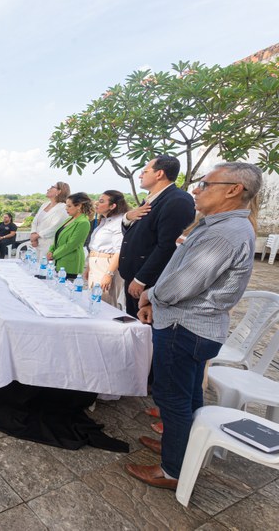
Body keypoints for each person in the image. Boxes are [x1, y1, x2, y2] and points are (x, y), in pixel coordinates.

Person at [125, 162, 263, 491]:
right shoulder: (219, 225)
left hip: (185, 326)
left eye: (205, 184)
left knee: (172, 398)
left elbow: (181, 285)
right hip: (192, 325)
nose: (196, 190)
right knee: (187, 396)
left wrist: (148, 297)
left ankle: (172, 470)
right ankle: (180, 445)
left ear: (233, 190)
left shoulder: (224, 232)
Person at [118, 155, 195, 318]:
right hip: (133, 274)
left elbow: (167, 246)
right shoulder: (152, 199)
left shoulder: (177, 200)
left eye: (144, 171)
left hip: (148, 281)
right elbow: (136, 234)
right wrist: (127, 218)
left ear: (159, 174)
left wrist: (141, 279)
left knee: (145, 331)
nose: (140, 175)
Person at [85, 191, 128, 309]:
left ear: (112, 206)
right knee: (94, 301)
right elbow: (94, 246)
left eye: (102, 201)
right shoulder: (103, 221)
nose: (97, 203)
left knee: (106, 304)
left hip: (107, 265)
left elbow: (119, 250)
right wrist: (89, 267)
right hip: (96, 264)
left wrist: (108, 274)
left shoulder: (118, 223)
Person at [46, 193, 92, 279]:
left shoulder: (83, 222)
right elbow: (57, 238)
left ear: (78, 206)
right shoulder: (69, 219)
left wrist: (53, 255)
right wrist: (50, 251)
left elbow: (71, 245)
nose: (66, 208)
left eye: (69, 206)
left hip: (70, 264)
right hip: (59, 261)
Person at [30, 182, 70, 262]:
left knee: (44, 270)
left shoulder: (63, 208)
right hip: (36, 244)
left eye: (52, 187)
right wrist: (33, 234)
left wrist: (37, 236)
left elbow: (55, 228)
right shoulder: (45, 205)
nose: (48, 189)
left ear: (59, 191)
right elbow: (35, 222)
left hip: (48, 245)